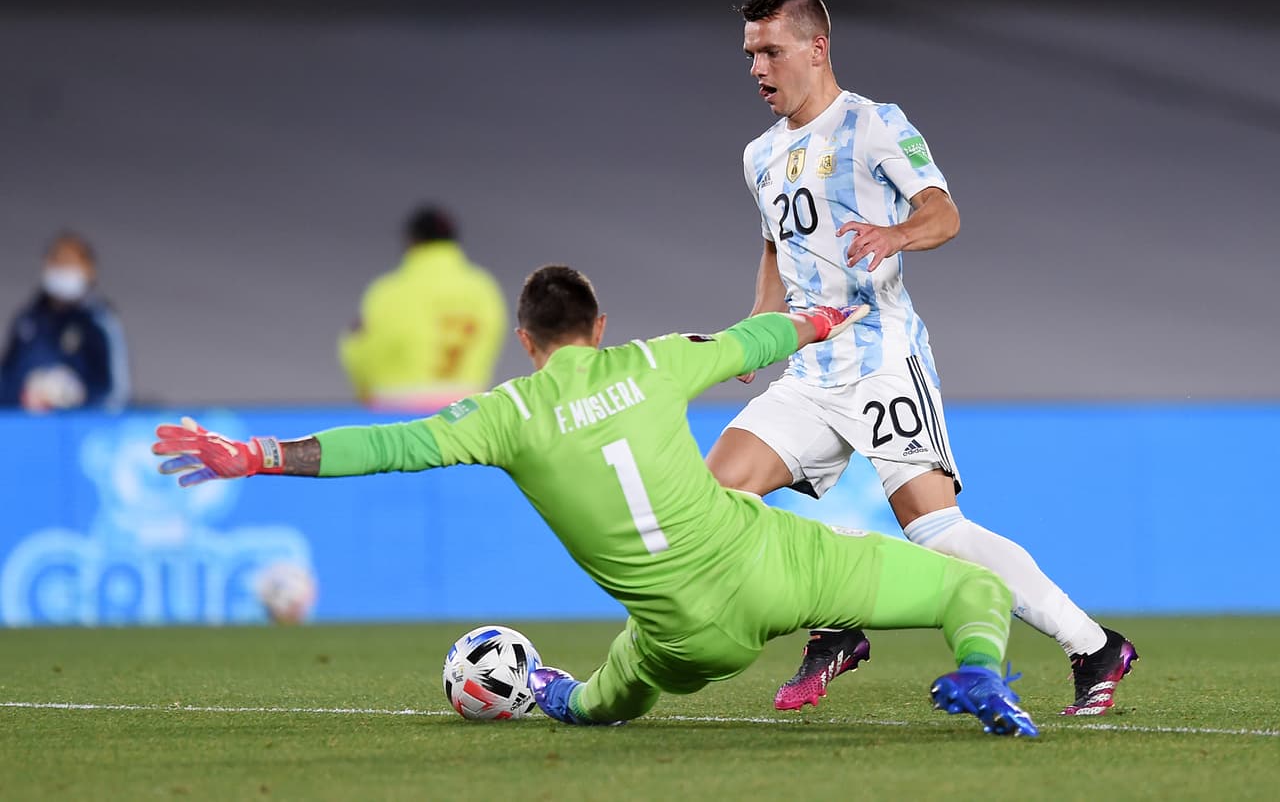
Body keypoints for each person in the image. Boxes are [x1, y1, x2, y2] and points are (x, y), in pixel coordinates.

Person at [152, 264, 1038, 737]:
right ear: (599, 328)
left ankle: (555, 693)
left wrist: (258, 455)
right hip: (775, 566)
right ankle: (981, 675)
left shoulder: (507, 415)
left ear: (526, 340)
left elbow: (388, 448)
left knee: (610, 700)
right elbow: (756, 338)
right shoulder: (652, 361)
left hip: (684, 638)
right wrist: (824, 320)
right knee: (972, 587)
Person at [706, 0, 1137, 718]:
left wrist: (895, 234)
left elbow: (944, 214)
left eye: (770, 51)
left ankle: (1093, 645)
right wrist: (756, 331)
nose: (756, 68)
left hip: (882, 359)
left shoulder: (874, 124)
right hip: (811, 371)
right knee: (714, 499)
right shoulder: (759, 156)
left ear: (817, 48)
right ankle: (836, 620)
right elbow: (775, 247)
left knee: (938, 533)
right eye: (750, 54)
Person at [339, 204, 506, 410]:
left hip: (397, 406)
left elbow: (362, 350)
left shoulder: (390, 291)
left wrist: (365, 392)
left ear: (411, 241)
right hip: (466, 407)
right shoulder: (483, 288)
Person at [0, 231, 130, 412]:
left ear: (89, 270)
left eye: (69, 263)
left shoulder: (99, 323)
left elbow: (114, 394)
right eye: (57, 262)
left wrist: (73, 395)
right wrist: (26, 391)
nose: (62, 270)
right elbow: (6, 378)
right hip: (26, 423)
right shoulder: (28, 320)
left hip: (79, 426)